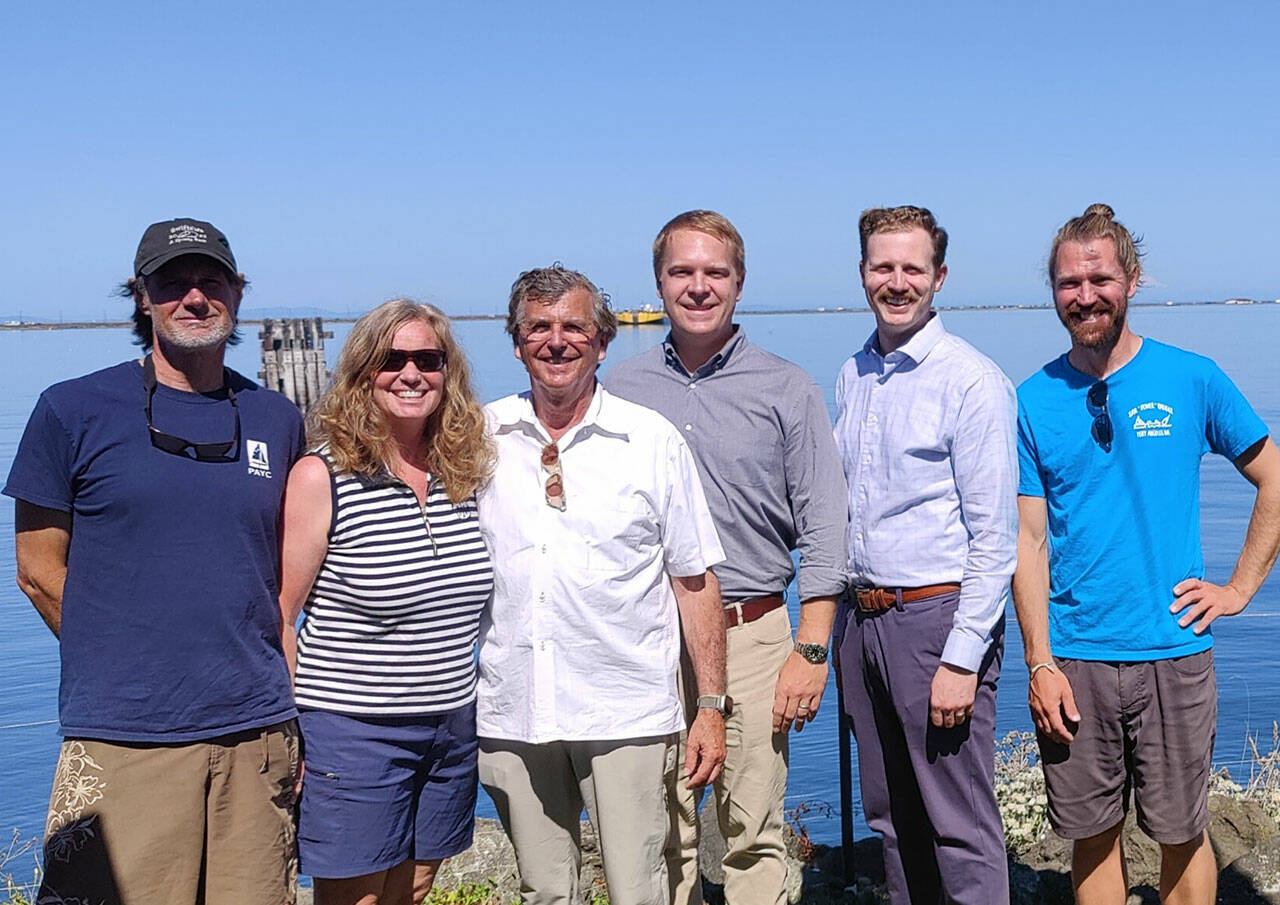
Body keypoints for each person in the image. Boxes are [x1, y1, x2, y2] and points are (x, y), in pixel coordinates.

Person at [4, 218, 305, 905]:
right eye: (172, 281)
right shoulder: (71, 410)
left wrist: (290, 712)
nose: (193, 296)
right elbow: (36, 567)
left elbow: (286, 579)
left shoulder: (276, 418)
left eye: (211, 280)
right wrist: (128, 661)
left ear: (237, 292)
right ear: (142, 296)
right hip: (124, 741)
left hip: (256, 737)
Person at [1013, 203, 1280, 905]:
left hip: (1173, 649)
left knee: (1181, 831)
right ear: (1054, 291)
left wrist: (1239, 588)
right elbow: (1029, 542)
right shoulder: (1032, 400)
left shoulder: (1191, 378)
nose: (1085, 295)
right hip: (1076, 657)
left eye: (1099, 277)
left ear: (1131, 279)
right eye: (1069, 283)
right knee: (1092, 834)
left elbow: (1273, 477)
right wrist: (1040, 662)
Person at [604, 210, 847, 905]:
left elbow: (827, 528)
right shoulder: (619, 390)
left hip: (754, 633)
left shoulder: (786, 387)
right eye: (683, 271)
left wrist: (812, 646)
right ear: (659, 281)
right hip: (646, 639)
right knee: (660, 828)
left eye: (715, 272)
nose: (699, 286)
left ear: (739, 284)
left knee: (754, 827)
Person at [476, 264, 728, 905]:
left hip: (626, 712)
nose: (556, 341)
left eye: (573, 327)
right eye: (539, 327)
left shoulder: (650, 441)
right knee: (544, 891)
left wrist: (711, 709)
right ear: (516, 341)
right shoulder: (480, 438)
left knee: (640, 889)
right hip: (512, 708)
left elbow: (695, 582)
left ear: (602, 343)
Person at [278, 299, 495, 905]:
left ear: (447, 372)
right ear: (362, 373)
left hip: (450, 725)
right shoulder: (323, 476)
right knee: (356, 898)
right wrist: (288, 733)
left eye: (428, 359)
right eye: (391, 360)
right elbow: (281, 616)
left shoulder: (465, 473)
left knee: (417, 886)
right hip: (352, 729)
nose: (411, 374)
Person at [834, 205, 1016, 905]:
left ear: (940, 276)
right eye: (884, 266)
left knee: (958, 824)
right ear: (862, 274)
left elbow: (995, 536)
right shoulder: (855, 374)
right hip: (866, 621)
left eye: (913, 268)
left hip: (935, 623)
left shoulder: (971, 381)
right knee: (892, 820)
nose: (897, 281)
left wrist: (963, 657)